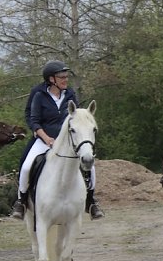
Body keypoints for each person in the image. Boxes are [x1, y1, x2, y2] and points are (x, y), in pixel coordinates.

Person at [10, 60, 104, 220]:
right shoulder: (39, 95)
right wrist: (46, 138)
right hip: (44, 138)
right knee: (25, 166)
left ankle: (91, 201)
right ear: (51, 79)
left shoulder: (70, 94)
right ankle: (21, 201)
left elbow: (76, 117)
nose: (65, 80)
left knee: (90, 167)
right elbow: (34, 120)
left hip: (66, 141)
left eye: (66, 76)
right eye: (62, 77)